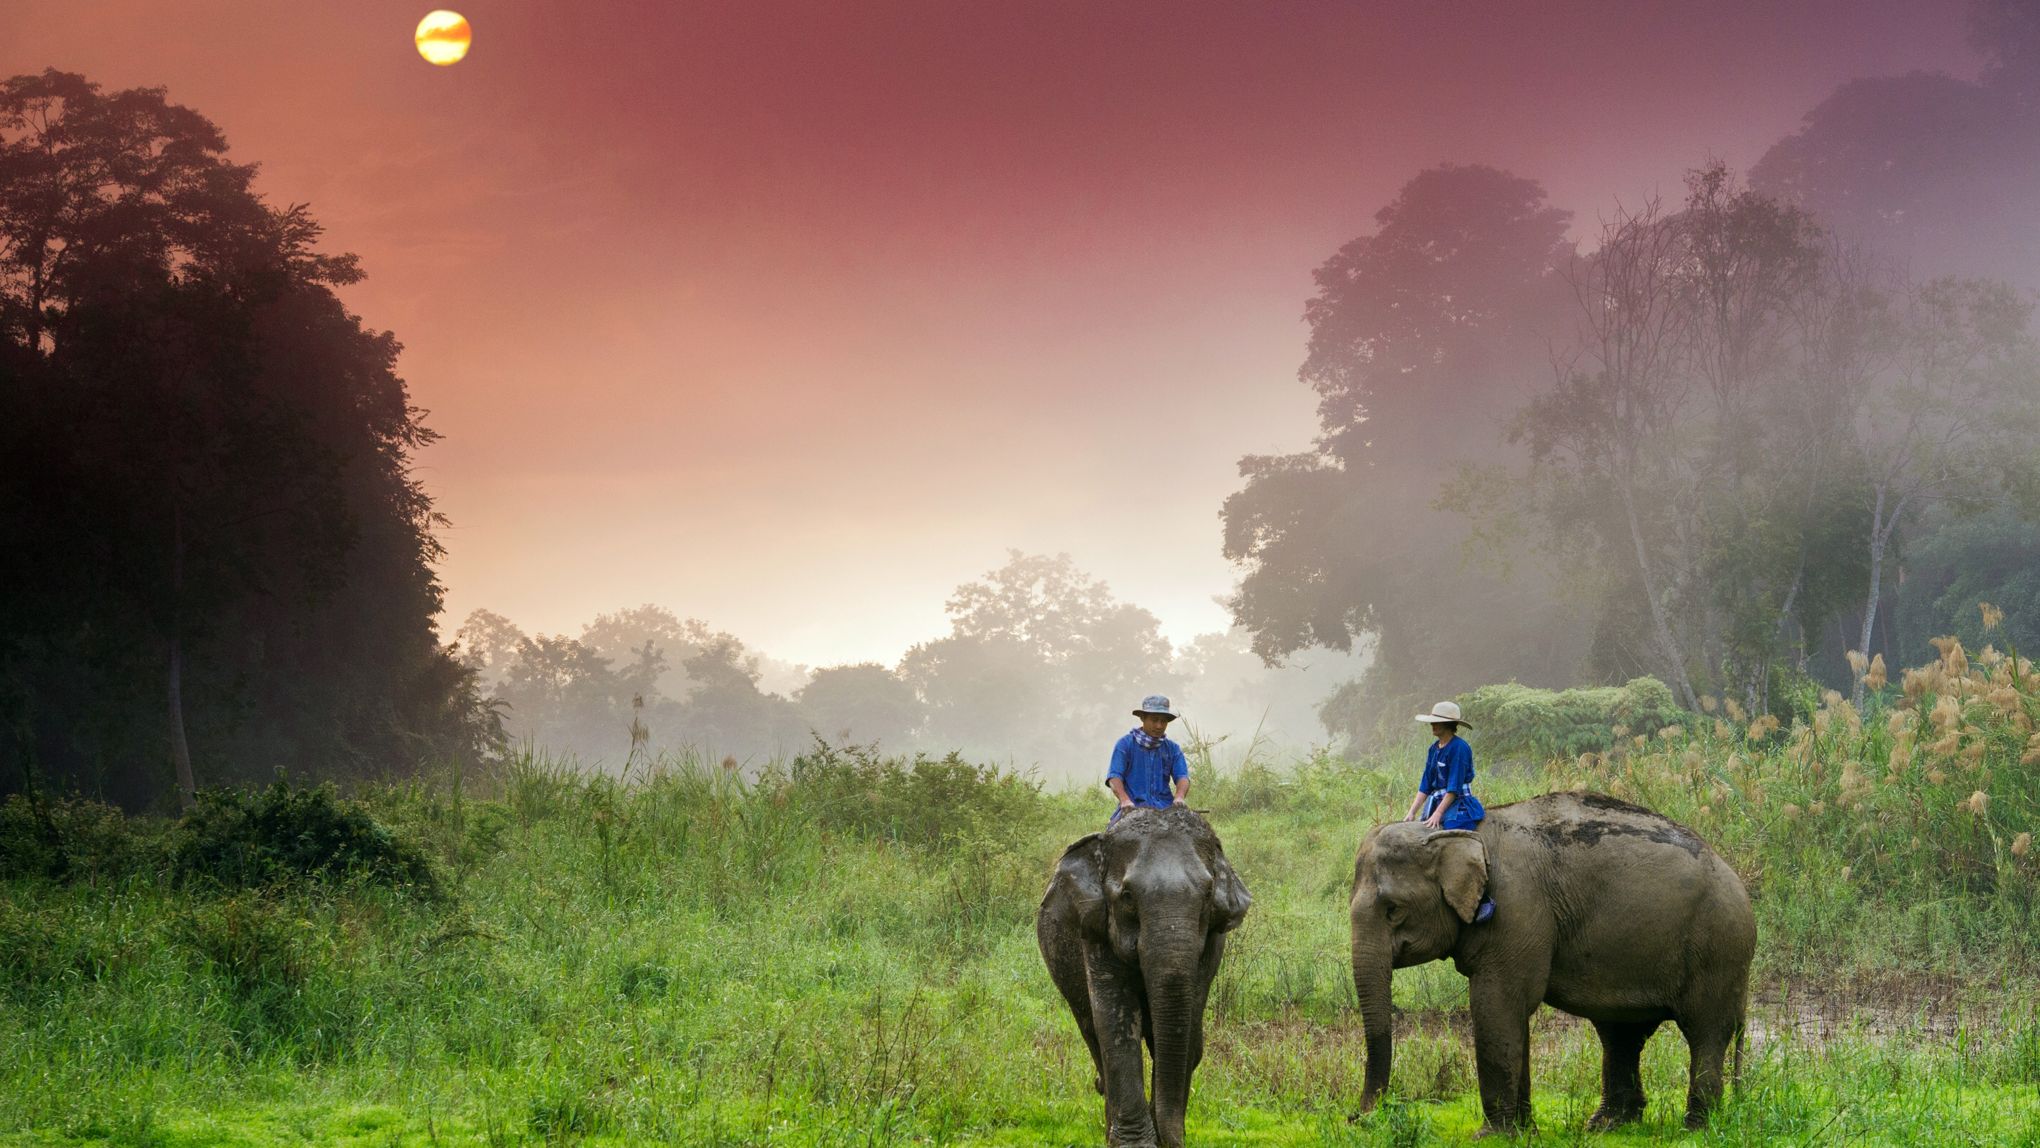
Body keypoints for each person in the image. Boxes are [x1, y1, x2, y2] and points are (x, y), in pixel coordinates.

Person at [1404, 699, 1494, 921]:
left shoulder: (1460, 748)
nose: (1433, 726)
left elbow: (1453, 787)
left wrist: (1438, 814)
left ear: (1450, 725)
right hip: (1437, 801)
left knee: (1455, 839)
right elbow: (1426, 784)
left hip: (1457, 803)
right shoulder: (1433, 749)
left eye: (1438, 722)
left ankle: (1481, 897)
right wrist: (1413, 811)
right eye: (1433, 722)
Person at [1107, 694, 1190, 822]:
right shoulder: (1124, 745)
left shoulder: (1173, 749)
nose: (1159, 726)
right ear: (1142, 718)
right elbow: (1114, 777)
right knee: (1110, 838)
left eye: (1163, 721)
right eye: (1154, 720)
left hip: (1165, 809)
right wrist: (1124, 800)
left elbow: (1182, 777)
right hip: (1133, 809)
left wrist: (1179, 797)